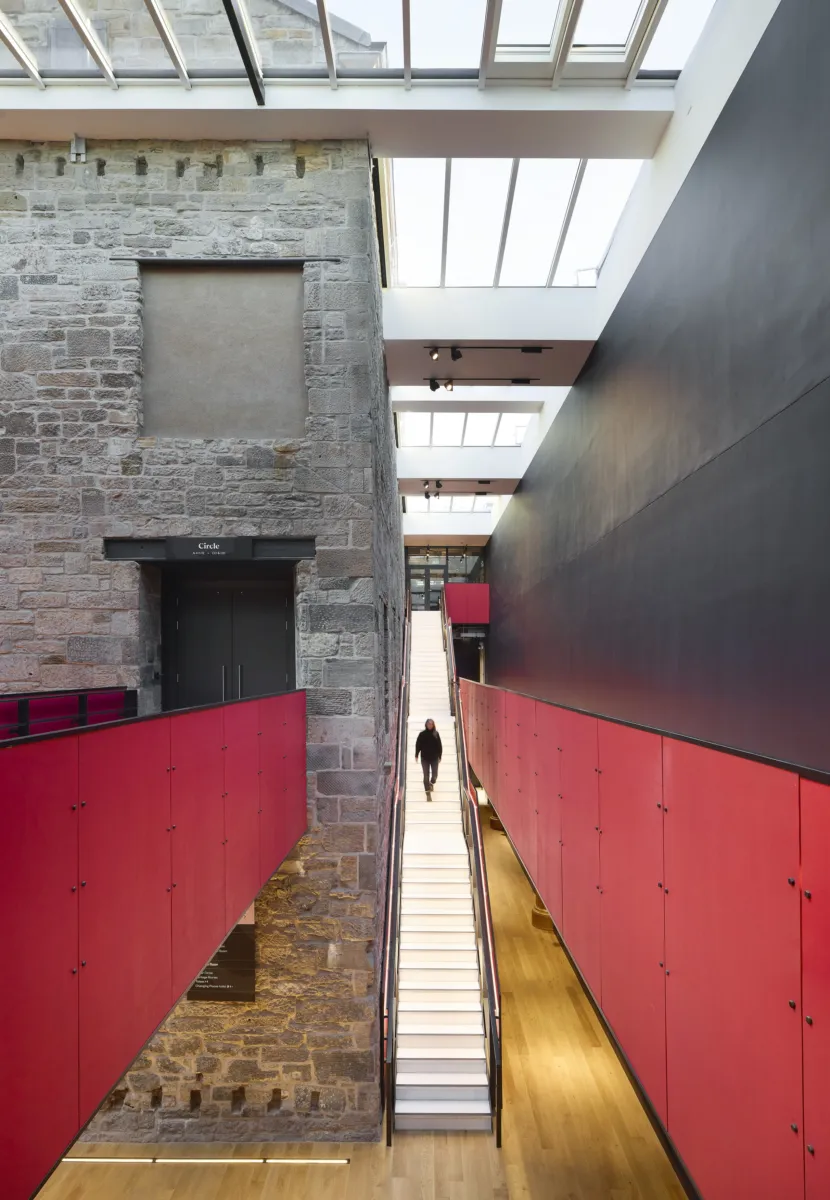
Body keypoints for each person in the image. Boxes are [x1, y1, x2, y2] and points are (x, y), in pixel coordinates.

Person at [415, 719, 442, 796]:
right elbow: (418, 745)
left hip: (434, 758)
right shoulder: (422, 734)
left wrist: (440, 756)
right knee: (426, 775)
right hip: (425, 758)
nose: (430, 725)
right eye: (428, 724)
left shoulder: (436, 734)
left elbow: (439, 745)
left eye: (431, 724)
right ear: (426, 725)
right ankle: (427, 790)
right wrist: (416, 754)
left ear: (433, 725)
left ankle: (431, 783)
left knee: (434, 776)